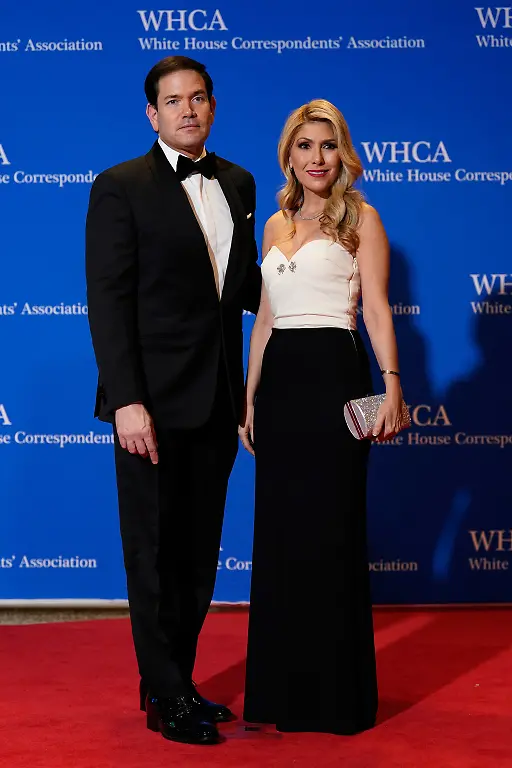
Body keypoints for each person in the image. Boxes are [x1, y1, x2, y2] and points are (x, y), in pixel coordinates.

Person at [85, 55, 261, 746]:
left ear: (212, 107)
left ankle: (174, 683)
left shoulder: (240, 182)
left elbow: (247, 291)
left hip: (217, 401)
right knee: (153, 554)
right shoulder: (120, 187)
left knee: (196, 555)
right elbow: (108, 302)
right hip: (151, 407)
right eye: (172, 101)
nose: (187, 110)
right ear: (152, 114)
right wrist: (126, 401)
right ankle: (166, 694)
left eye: (198, 98)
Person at [240, 99, 407, 735]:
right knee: (281, 539)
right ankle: (281, 696)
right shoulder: (275, 224)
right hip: (280, 387)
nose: (316, 158)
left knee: (331, 534)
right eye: (304, 146)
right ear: (289, 154)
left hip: (335, 378)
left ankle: (336, 699)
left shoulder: (363, 217)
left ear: (343, 154)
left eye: (327, 146)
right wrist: (249, 398)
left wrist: (392, 386)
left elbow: (378, 309)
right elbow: (265, 321)